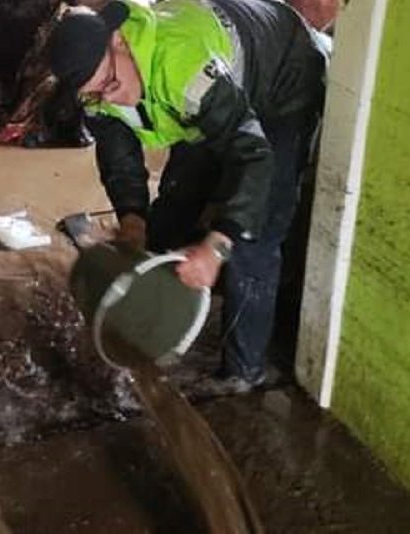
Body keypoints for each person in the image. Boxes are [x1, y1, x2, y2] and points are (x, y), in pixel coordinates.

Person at [48, 0, 327, 391]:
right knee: (173, 207)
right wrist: (132, 218)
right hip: (205, 94)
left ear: (120, 41)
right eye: (95, 96)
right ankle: (151, 317)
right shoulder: (95, 87)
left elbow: (253, 155)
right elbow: (118, 151)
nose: (108, 99)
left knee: (254, 238)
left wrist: (217, 246)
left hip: (284, 75)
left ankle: (243, 373)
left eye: (109, 85)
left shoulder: (184, 67)